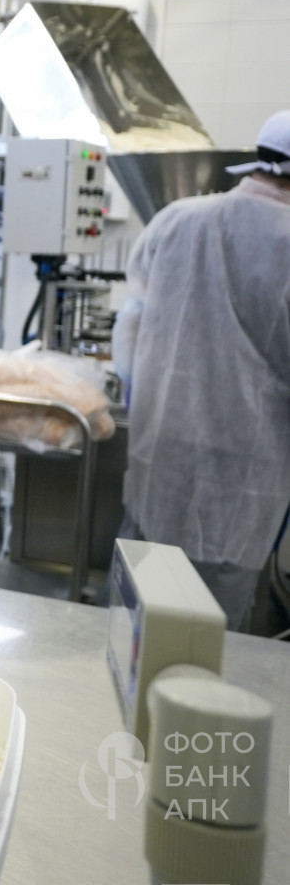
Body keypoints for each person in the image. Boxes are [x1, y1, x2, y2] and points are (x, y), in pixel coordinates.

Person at [115, 110, 290, 630]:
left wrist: (143, 398)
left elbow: (130, 327)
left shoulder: (178, 219)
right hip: (248, 474)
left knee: (135, 615)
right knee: (205, 634)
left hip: (161, 453)